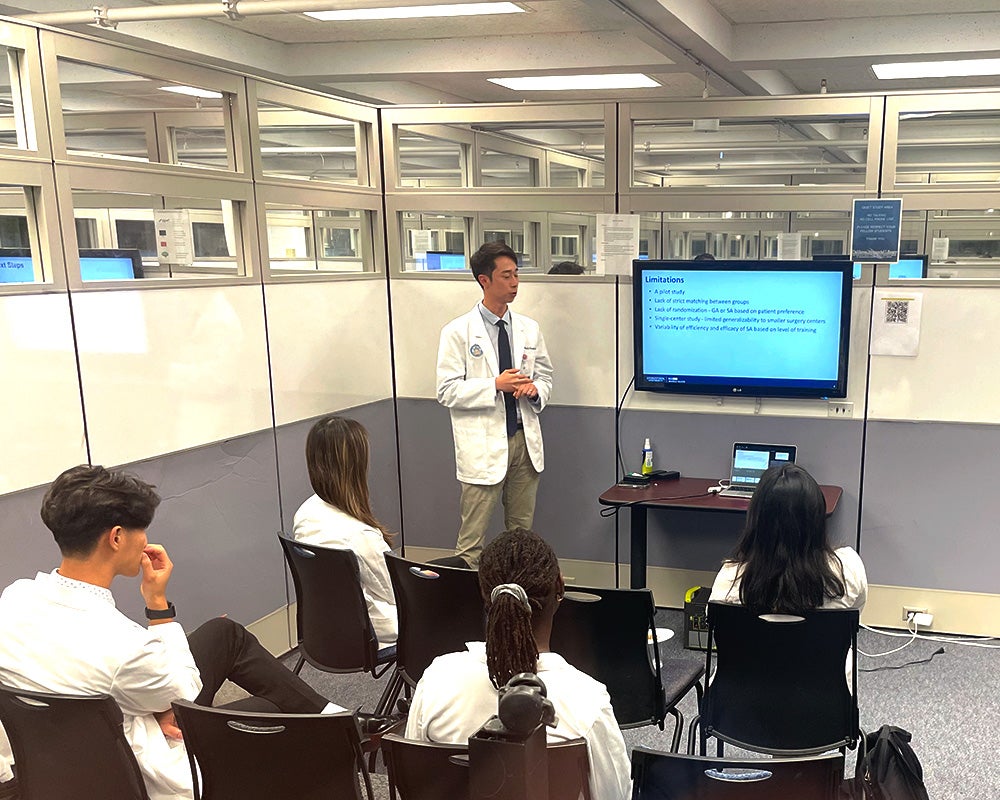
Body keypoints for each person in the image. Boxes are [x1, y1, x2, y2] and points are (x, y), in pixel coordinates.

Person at [0, 465, 393, 800]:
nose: (146, 541)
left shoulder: (13, 598)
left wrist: (151, 705)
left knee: (224, 635)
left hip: (63, 765)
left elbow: (118, 686)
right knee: (280, 715)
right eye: (142, 530)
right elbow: (183, 689)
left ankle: (337, 718)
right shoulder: (124, 647)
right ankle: (338, 730)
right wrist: (158, 606)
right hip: (143, 772)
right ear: (116, 537)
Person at [405, 528, 631, 800]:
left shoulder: (438, 679)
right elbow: (616, 795)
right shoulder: (588, 701)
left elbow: (415, 780)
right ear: (560, 587)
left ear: (484, 594)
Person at [436, 241, 554, 568]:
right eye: (506, 276)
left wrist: (534, 389)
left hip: (523, 444)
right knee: (471, 542)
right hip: (483, 448)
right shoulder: (457, 332)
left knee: (521, 537)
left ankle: (515, 604)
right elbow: (446, 391)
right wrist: (494, 385)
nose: (515, 282)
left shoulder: (529, 328)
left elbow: (545, 376)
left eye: (516, 274)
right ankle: (467, 610)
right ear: (484, 280)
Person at [292, 414, 397, 648]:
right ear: (356, 465)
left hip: (324, 625)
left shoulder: (305, 513)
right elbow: (393, 593)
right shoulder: (361, 535)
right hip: (372, 629)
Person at [710, 463, 867, 613]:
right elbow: (854, 618)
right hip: (821, 641)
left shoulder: (730, 580)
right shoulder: (849, 568)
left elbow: (716, 624)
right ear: (817, 519)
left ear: (757, 519)